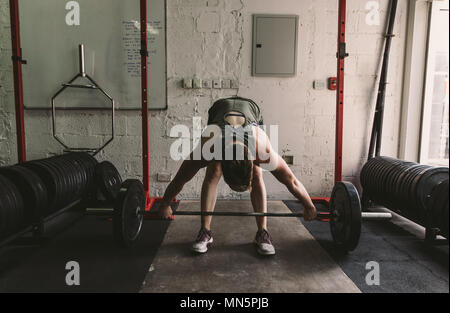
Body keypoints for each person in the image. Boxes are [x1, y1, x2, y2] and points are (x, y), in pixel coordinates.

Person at [159, 96, 317, 255]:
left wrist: (309, 206)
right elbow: (181, 178)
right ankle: (205, 231)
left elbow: (291, 181)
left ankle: (262, 233)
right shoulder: (209, 147)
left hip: (251, 110)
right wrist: (165, 204)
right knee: (213, 171)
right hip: (219, 110)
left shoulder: (261, 150)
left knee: (257, 174)